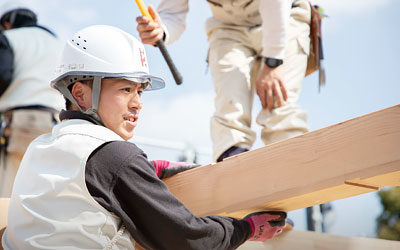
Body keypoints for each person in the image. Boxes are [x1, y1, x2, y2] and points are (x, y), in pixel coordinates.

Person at [2, 25, 287, 249]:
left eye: (140, 90)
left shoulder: (40, 149)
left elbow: (79, 188)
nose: (138, 103)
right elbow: (190, 239)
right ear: (80, 93)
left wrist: (143, 172)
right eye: (126, 90)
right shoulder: (114, 156)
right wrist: (245, 229)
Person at [136, 0, 311, 162]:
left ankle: (294, 167)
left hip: (283, 16)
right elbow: (173, 14)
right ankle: (235, 170)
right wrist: (161, 29)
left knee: (279, 107)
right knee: (230, 112)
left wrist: (273, 61)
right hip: (229, 27)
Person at [0, 1, 64, 197]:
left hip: (20, 123)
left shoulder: (7, 38)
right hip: (57, 125)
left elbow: (2, 75)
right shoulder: (58, 44)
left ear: (7, 24)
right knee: (42, 194)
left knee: (8, 196)